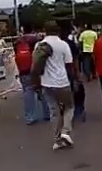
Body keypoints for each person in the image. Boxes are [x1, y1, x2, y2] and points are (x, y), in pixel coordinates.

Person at [32, 21, 76, 150]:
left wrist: (36, 84)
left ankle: (57, 140)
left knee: (54, 112)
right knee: (69, 107)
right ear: (58, 31)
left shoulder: (39, 45)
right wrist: (74, 80)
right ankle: (65, 132)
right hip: (62, 83)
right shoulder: (63, 45)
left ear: (45, 31)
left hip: (46, 83)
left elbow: (35, 66)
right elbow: (69, 65)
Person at [14, 30, 50, 125]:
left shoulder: (18, 42)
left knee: (28, 93)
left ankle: (30, 117)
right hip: (34, 71)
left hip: (23, 72)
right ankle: (47, 114)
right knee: (43, 92)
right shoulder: (35, 41)